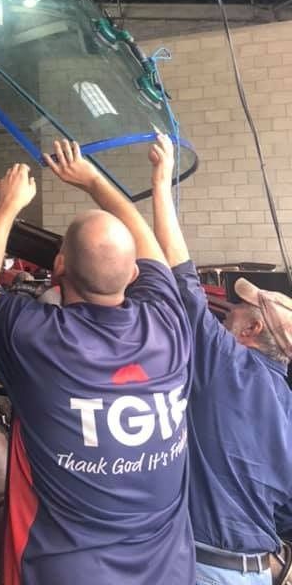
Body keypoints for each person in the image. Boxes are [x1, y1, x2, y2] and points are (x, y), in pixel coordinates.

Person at [0, 140, 194, 585]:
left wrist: (8, 206)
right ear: (135, 274)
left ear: (59, 265)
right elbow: (146, 245)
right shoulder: (169, 324)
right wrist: (94, 181)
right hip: (170, 572)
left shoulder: (38, 340)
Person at [149, 134, 292, 585]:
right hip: (254, 573)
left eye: (236, 312)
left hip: (201, 568)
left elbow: (181, 277)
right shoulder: (284, 401)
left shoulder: (230, 367)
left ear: (251, 331)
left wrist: (159, 179)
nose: (226, 314)